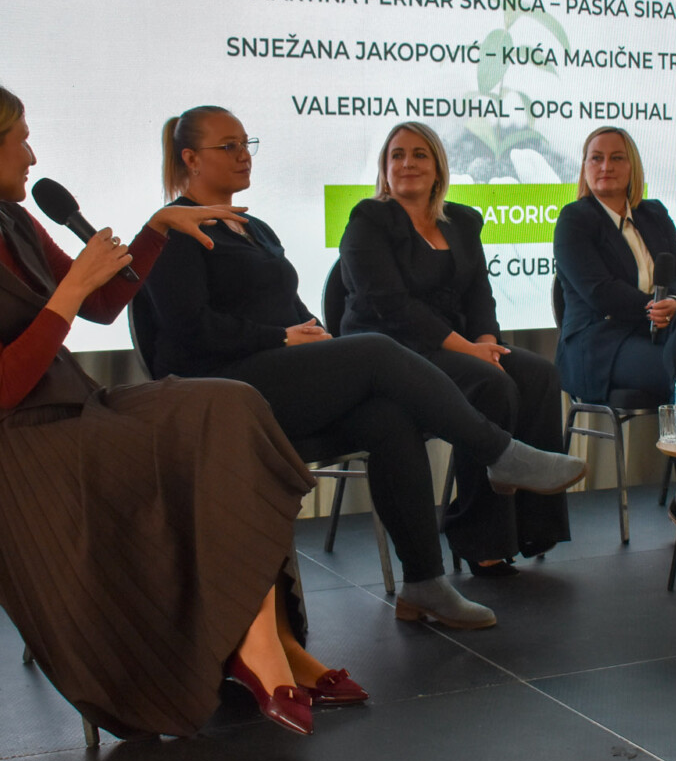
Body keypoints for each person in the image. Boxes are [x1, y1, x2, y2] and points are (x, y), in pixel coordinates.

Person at [0, 76, 359, 740]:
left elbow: (106, 304)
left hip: (75, 410)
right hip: (10, 447)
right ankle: (261, 648)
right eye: (21, 141)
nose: (32, 157)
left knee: (231, 407)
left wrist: (156, 229)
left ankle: (266, 642)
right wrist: (69, 289)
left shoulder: (10, 222)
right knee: (214, 434)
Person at [140, 105, 587, 628]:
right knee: (374, 347)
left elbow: (286, 306)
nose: (244, 156)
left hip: (274, 376)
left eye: (246, 144)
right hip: (220, 391)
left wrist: (311, 334)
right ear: (191, 158)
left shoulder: (252, 227)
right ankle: (500, 453)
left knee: (389, 419)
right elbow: (188, 330)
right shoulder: (172, 231)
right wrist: (282, 337)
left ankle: (423, 583)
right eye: (228, 147)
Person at [338, 122, 571, 576]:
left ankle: (532, 525)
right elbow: (392, 307)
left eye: (419, 154)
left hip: (457, 344)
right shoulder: (367, 223)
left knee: (538, 375)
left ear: (439, 168)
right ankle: (480, 538)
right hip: (394, 353)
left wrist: (486, 342)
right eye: (397, 155)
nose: (408, 163)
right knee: (489, 385)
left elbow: (479, 294)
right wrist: (468, 350)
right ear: (384, 168)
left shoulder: (461, 222)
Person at [553, 126, 676, 548]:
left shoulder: (654, 214)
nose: (606, 166)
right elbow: (599, 291)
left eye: (617, 157)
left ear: (632, 166)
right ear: (584, 166)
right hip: (600, 345)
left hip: (657, 338)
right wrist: (655, 306)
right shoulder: (574, 219)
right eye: (596, 158)